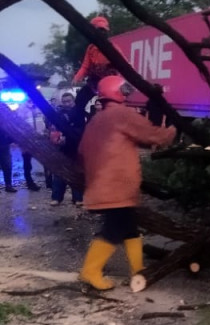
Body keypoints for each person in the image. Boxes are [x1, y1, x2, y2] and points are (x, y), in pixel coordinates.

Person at [78, 76, 177, 290]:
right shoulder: (122, 114)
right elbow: (153, 135)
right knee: (114, 229)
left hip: (103, 184)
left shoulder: (96, 120)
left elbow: (81, 151)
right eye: (124, 89)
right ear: (118, 92)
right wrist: (173, 130)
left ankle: (138, 270)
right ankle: (90, 271)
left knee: (130, 228)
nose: (127, 93)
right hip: (117, 185)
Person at [73, 16, 117, 113]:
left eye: (103, 30)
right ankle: (79, 126)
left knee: (108, 106)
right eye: (98, 30)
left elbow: (125, 64)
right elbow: (85, 66)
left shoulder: (112, 47)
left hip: (109, 83)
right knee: (79, 100)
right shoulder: (91, 48)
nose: (101, 33)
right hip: (95, 81)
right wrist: (77, 77)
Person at [49, 91, 86, 207]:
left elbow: (81, 131)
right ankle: (56, 198)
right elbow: (53, 129)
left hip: (77, 147)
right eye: (64, 102)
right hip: (62, 148)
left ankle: (78, 198)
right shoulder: (59, 114)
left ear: (73, 101)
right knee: (59, 173)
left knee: (76, 173)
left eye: (69, 101)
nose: (67, 104)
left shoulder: (80, 114)